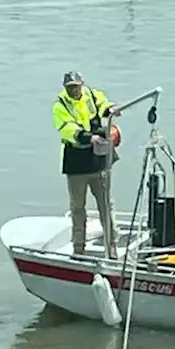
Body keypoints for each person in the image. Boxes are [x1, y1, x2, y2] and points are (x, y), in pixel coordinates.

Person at [52, 71, 118, 258]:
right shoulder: (60, 106)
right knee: (78, 208)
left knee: (106, 204)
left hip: (98, 160)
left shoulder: (92, 95)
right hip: (76, 163)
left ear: (82, 84)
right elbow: (68, 129)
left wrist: (112, 109)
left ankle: (111, 247)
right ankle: (79, 249)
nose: (74, 90)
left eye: (76, 86)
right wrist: (91, 138)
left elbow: (104, 105)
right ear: (65, 87)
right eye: (70, 87)